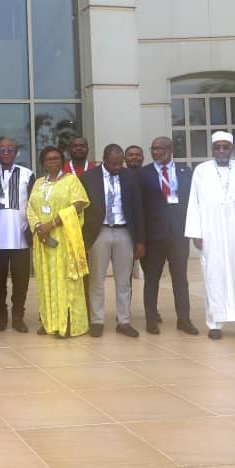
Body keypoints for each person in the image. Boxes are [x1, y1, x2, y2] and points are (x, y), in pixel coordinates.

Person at [185, 132, 235, 341]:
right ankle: (215, 324)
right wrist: (196, 233)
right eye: (217, 147)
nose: (221, 151)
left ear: (232, 148)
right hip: (211, 233)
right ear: (212, 149)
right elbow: (193, 202)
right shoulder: (201, 170)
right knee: (213, 276)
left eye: (225, 147)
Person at [80, 144, 145, 338]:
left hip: (124, 232)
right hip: (99, 232)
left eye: (120, 163)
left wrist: (140, 240)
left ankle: (124, 321)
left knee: (124, 281)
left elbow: (138, 209)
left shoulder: (130, 177)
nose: (118, 167)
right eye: (114, 163)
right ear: (104, 159)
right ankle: (97, 321)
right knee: (96, 280)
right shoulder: (88, 177)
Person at [27, 146, 90, 338]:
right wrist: (39, 227)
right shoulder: (38, 183)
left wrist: (52, 224)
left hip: (64, 238)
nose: (53, 161)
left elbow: (79, 203)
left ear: (62, 161)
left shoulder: (71, 180)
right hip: (43, 240)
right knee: (46, 280)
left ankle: (67, 324)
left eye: (56, 158)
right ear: (43, 163)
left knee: (66, 281)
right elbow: (30, 208)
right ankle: (49, 322)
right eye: (49, 159)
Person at [138, 137, 198, 336]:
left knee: (180, 279)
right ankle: (151, 320)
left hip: (179, 235)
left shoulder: (185, 171)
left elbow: (193, 202)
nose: (155, 152)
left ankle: (184, 320)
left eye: (159, 148)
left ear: (170, 149)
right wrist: (141, 238)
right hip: (154, 236)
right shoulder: (143, 174)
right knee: (152, 279)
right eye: (153, 148)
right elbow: (139, 208)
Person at [0, 138, 35, 332]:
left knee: (21, 281)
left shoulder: (27, 174)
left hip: (20, 236)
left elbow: (34, 203)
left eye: (10, 150)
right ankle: (1, 317)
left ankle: (18, 317)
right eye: (2, 149)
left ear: (16, 153)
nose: (6, 153)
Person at [124, 144, 145, 279]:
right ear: (125, 158)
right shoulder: (119, 175)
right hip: (126, 229)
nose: (134, 157)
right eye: (130, 155)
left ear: (143, 157)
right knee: (125, 274)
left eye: (137, 155)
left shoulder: (149, 174)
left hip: (147, 229)